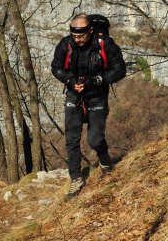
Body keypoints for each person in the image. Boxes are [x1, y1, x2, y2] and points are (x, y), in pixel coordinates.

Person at [51, 13, 126, 199]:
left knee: (94, 139)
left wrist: (98, 80)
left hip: (97, 95)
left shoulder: (105, 45)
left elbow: (120, 69)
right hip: (74, 94)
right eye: (74, 36)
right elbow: (56, 67)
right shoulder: (65, 44)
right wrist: (70, 81)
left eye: (80, 36)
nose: (77, 39)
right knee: (71, 138)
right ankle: (75, 178)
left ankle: (104, 158)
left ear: (90, 31)